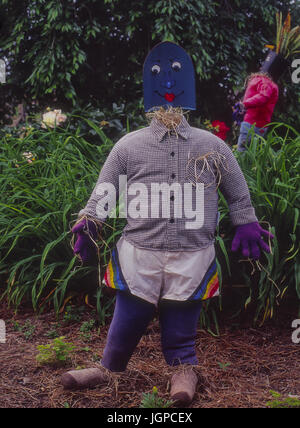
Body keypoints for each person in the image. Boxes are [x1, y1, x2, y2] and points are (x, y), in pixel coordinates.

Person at [62, 41, 273, 406]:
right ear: (148, 84)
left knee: (181, 323)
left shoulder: (213, 146)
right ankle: (108, 369)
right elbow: (106, 189)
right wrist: (91, 219)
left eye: (178, 74)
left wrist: (246, 223)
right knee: (127, 319)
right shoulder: (128, 146)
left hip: (192, 255)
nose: (169, 84)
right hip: (139, 253)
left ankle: (184, 371)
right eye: (158, 74)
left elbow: (237, 193)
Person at [237, 72, 278, 152]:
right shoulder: (273, 85)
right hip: (262, 125)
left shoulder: (261, 80)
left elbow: (263, 96)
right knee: (252, 154)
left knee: (241, 153)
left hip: (252, 123)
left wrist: (245, 104)